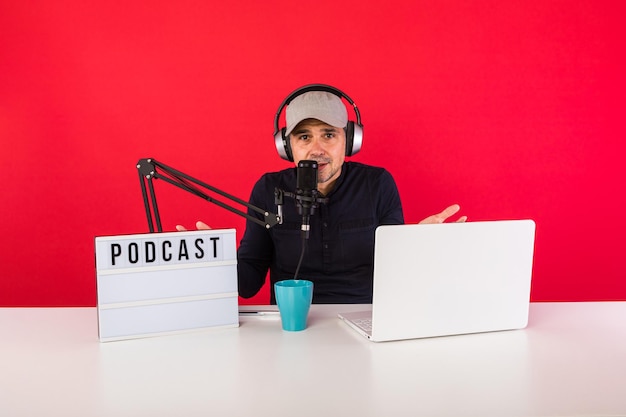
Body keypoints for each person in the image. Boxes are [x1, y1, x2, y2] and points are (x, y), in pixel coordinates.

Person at [178, 85, 466, 304]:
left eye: (329, 134)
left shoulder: (377, 184)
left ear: (349, 141)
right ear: (287, 147)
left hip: (367, 319)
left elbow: (398, 273)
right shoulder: (268, 189)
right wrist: (215, 260)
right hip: (292, 325)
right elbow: (248, 283)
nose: (317, 149)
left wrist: (421, 247)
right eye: (304, 137)